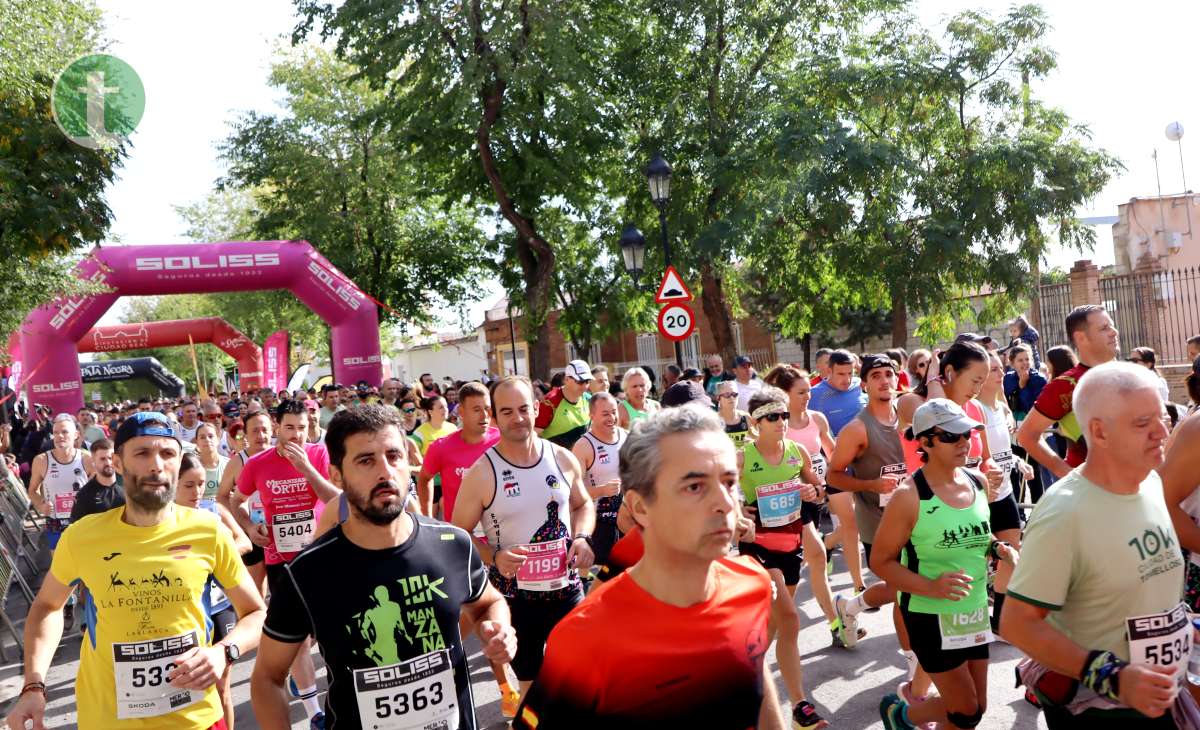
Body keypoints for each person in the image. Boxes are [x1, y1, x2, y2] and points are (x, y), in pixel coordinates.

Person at [512, 405, 787, 729]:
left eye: (728, 482)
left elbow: (756, 677)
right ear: (640, 507)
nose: (725, 503)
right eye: (695, 487)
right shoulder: (582, 640)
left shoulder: (752, 584)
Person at [251, 405, 517, 730]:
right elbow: (268, 676)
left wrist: (499, 628)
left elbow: (488, 602)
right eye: (366, 460)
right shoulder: (307, 573)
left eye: (393, 456)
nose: (385, 472)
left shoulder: (453, 544)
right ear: (337, 475)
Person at [5, 412, 267, 730]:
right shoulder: (83, 536)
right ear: (117, 464)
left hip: (194, 719)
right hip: (108, 720)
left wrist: (223, 652)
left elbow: (255, 612)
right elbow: (48, 606)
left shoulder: (207, 530)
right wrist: (34, 685)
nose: (156, 465)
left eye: (167, 453)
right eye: (142, 453)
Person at [1003, 362, 1192, 728]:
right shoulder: (1064, 512)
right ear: (1099, 432)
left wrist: (1185, 624)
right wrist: (1114, 676)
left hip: (1161, 695)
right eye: (1142, 423)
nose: (1161, 432)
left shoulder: (1151, 483)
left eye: (1162, 418)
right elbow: (1017, 624)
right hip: (1098, 710)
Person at [873, 399, 1018, 730]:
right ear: (925, 442)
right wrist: (932, 587)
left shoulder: (978, 483)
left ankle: (903, 716)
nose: (964, 443)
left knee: (974, 710)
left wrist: (998, 548)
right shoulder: (909, 495)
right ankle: (902, 715)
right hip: (928, 615)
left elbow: (977, 538)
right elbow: (880, 561)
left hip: (973, 609)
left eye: (966, 434)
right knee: (965, 709)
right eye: (952, 436)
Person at [450, 376, 595, 700]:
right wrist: (494, 557)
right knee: (531, 693)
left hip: (567, 591)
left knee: (580, 682)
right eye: (507, 411)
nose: (517, 418)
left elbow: (583, 503)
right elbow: (457, 536)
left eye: (523, 409)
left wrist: (583, 537)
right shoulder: (483, 472)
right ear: (496, 416)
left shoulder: (561, 458)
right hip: (517, 600)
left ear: (536, 409)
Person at [231, 400, 339, 728]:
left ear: (310, 427)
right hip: (281, 560)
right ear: (277, 427)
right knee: (299, 640)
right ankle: (314, 713)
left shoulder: (320, 455)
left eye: (302, 428)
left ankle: (333, 694)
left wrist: (307, 469)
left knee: (327, 632)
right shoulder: (258, 463)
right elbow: (235, 500)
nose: (295, 435)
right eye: (289, 427)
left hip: (321, 552)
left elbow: (337, 499)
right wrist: (250, 527)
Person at [738, 386, 831, 728]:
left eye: (783, 416)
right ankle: (800, 707)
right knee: (791, 618)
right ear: (755, 423)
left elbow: (820, 490)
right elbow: (722, 488)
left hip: (790, 545)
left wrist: (812, 491)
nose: (780, 422)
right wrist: (737, 507)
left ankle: (745, 667)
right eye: (771, 417)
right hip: (758, 547)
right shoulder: (744, 457)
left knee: (775, 623)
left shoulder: (796, 452)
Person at [765, 363, 868, 608]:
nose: (807, 396)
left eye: (808, 391)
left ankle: (858, 584)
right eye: (800, 392)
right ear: (785, 394)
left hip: (824, 479)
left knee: (852, 522)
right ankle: (780, 597)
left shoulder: (817, 418)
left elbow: (832, 452)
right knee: (804, 554)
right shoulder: (779, 424)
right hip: (797, 491)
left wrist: (852, 464)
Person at [826, 355, 907, 651]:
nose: (885, 380)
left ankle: (850, 606)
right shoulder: (857, 429)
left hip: (915, 519)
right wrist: (870, 484)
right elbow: (833, 476)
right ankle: (915, 672)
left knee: (910, 590)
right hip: (878, 523)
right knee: (903, 594)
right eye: (876, 376)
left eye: (889, 374)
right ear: (865, 385)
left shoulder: (909, 419)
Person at [176, 451, 253, 730]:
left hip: (220, 608)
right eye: (189, 485)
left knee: (222, 688)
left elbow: (244, 542)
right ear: (173, 483)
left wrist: (214, 556)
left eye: (200, 483)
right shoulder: (165, 521)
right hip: (187, 616)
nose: (197, 491)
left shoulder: (213, 510)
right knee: (190, 692)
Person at [1017, 305, 1119, 481]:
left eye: (1111, 325)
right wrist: (1067, 474)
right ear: (1081, 337)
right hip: (1092, 492)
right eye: (1104, 328)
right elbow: (1027, 435)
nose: (1114, 332)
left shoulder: (1127, 374)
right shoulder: (1065, 385)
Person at [571, 392, 628, 568]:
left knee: (628, 569)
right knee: (605, 575)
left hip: (628, 518)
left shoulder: (626, 436)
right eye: (605, 414)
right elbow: (573, 493)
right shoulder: (583, 446)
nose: (611, 418)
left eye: (614, 412)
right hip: (599, 524)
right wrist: (601, 490)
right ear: (591, 416)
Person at [28, 414, 94, 553]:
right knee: (61, 571)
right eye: (56, 432)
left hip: (82, 523)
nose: (60, 436)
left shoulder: (87, 460)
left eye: (64, 432)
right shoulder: (41, 460)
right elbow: (33, 490)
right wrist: (41, 505)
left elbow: (98, 490)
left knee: (84, 570)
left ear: (76, 434)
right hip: (56, 524)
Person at [534, 360, 593, 448]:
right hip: (557, 459)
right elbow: (534, 435)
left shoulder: (589, 399)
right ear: (566, 379)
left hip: (583, 458)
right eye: (580, 381)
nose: (584, 386)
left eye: (587, 381)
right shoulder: (549, 402)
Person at [810, 349, 868, 437]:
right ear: (829, 371)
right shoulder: (814, 394)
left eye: (850, 373)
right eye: (841, 374)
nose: (847, 380)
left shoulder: (859, 384)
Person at [68, 438, 125, 523]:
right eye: (102, 459)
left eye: (110, 458)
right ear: (93, 460)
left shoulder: (128, 488)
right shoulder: (84, 495)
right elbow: (75, 529)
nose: (108, 462)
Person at [194, 422, 229, 512]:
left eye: (211, 436)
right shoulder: (191, 467)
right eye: (202, 437)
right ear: (197, 442)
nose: (207, 440)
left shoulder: (229, 464)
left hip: (226, 515)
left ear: (218, 439)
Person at [715, 379, 754, 447]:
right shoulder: (713, 421)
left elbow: (758, 440)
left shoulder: (746, 417)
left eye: (734, 394)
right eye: (727, 395)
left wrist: (752, 442)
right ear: (718, 398)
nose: (732, 398)